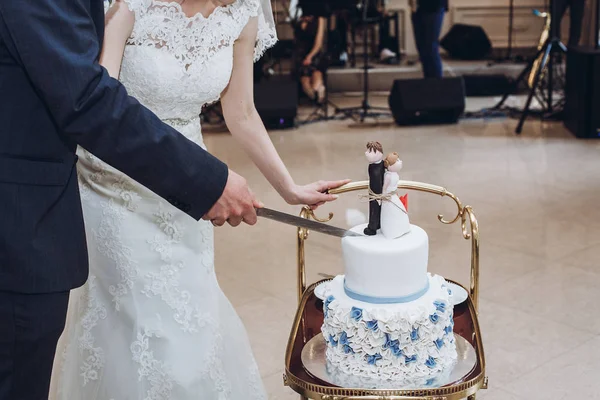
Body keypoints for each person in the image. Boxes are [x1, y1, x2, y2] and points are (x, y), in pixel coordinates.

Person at [0, 0, 347, 399]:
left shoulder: (244, 11)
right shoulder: (131, 5)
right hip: (118, 189)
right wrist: (203, 181)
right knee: (140, 330)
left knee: (193, 326)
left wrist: (288, 188)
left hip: (188, 197)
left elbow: (242, 111)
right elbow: (95, 102)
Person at [295, 0, 328, 103]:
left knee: (316, 78)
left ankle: (319, 90)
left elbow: (319, 43)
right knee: (305, 83)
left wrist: (310, 56)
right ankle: (313, 95)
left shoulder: (319, 19)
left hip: (316, 54)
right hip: (302, 54)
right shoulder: (299, 19)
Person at [411, 0, 448, 78]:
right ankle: (428, 83)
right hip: (419, 7)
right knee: (422, 49)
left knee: (430, 47)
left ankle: (437, 85)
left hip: (433, 6)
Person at [380, 152, 410, 240]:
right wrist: (384, 196)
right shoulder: (388, 176)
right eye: (397, 161)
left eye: (399, 159)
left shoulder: (395, 174)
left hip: (394, 195)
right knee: (391, 213)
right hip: (389, 197)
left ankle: (402, 229)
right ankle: (392, 231)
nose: (400, 162)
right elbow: (384, 188)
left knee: (400, 211)